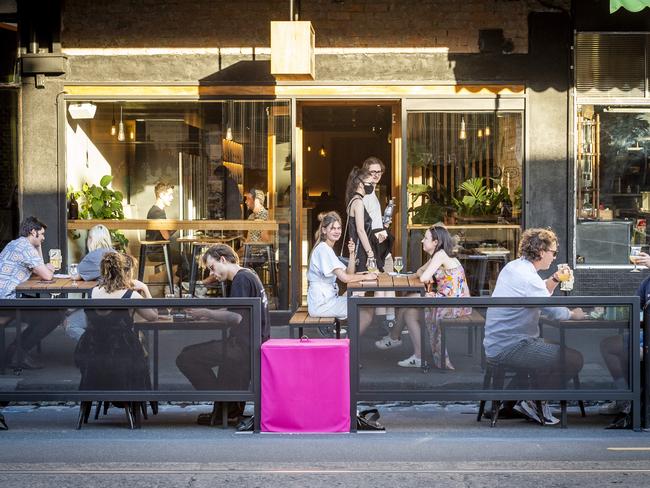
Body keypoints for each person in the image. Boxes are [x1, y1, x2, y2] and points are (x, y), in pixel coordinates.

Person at [483, 228, 585, 425]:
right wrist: (574, 314)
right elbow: (553, 311)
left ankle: (510, 404)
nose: (554, 257)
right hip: (511, 346)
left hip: (498, 342)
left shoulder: (515, 267)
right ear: (540, 251)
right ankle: (533, 402)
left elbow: (538, 294)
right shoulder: (527, 277)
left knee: (553, 347)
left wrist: (554, 279)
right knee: (573, 358)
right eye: (553, 252)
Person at [175, 244, 269, 424]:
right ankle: (226, 406)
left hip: (242, 346)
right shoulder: (249, 275)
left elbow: (236, 317)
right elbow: (237, 310)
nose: (213, 274)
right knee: (192, 354)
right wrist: (209, 313)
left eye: (212, 268)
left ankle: (224, 403)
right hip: (251, 343)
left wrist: (206, 313)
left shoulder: (241, 279)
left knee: (186, 357)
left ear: (223, 260)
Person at [375, 224, 471, 369]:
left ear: (435, 242)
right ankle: (408, 348)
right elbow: (419, 271)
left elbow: (423, 277)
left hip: (453, 305)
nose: (422, 241)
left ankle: (396, 338)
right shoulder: (439, 254)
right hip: (452, 301)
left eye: (426, 238)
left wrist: (422, 274)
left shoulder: (440, 255)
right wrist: (422, 273)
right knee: (409, 310)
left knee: (409, 303)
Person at [74, 252, 157, 391]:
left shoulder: (91, 293)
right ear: (123, 272)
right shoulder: (130, 295)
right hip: (122, 353)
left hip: (92, 353)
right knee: (142, 356)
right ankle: (134, 398)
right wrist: (145, 288)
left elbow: (90, 323)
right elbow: (153, 316)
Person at [1, 217, 60, 369]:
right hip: (7, 299)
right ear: (33, 232)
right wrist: (49, 269)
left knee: (46, 313)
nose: (44, 238)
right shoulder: (25, 248)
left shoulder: (15, 244)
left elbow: (39, 268)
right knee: (55, 315)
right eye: (41, 235)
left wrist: (39, 246)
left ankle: (16, 351)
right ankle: (17, 353)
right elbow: (46, 276)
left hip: (7, 295)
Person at [307, 211, 376, 333]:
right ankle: (349, 345)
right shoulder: (323, 250)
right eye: (332, 228)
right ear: (324, 230)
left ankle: (347, 340)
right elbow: (345, 278)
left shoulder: (327, 248)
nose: (337, 231)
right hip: (322, 305)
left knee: (359, 297)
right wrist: (366, 277)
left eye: (339, 228)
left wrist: (351, 253)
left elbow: (348, 274)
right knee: (366, 310)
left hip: (327, 300)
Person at [64, 224, 116, 341]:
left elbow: (75, 275)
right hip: (119, 308)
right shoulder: (116, 255)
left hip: (100, 308)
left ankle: (94, 345)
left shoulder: (93, 256)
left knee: (70, 324)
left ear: (91, 239)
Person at [145, 181, 188, 284]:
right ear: (161, 195)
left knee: (185, 257)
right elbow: (166, 236)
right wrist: (176, 226)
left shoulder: (156, 210)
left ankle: (174, 286)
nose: (172, 198)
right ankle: (174, 286)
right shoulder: (157, 212)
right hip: (157, 252)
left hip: (157, 250)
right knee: (187, 260)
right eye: (169, 195)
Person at [345, 167, 374, 272]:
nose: (372, 186)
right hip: (361, 251)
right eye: (370, 183)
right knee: (362, 285)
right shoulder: (358, 203)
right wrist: (370, 253)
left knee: (360, 285)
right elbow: (360, 230)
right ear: (361, 184)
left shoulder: (352, 201)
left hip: (356, 249)